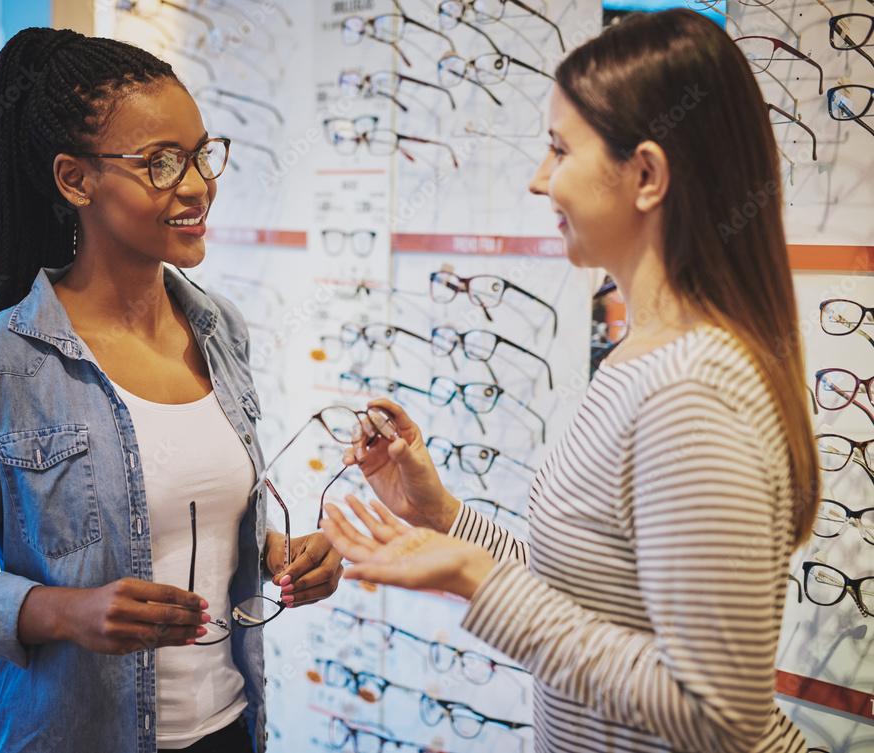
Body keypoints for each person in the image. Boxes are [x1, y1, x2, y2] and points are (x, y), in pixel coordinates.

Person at [321, 9, 818, 753]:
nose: (537, 180)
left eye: (558, 149)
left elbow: (720, 714)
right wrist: (448, 520)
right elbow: (598, 601)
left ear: (647, 174)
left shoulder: (695, 389)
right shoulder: (643, 352)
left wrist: (478, 580)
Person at [0, 28, 343, 753]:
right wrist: (62, 612)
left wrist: (278, 553)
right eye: (161, 163)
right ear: (75, 180)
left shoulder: (218, 329)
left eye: (202, 153)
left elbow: (185, 514)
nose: (198, 183)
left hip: (230, 728)